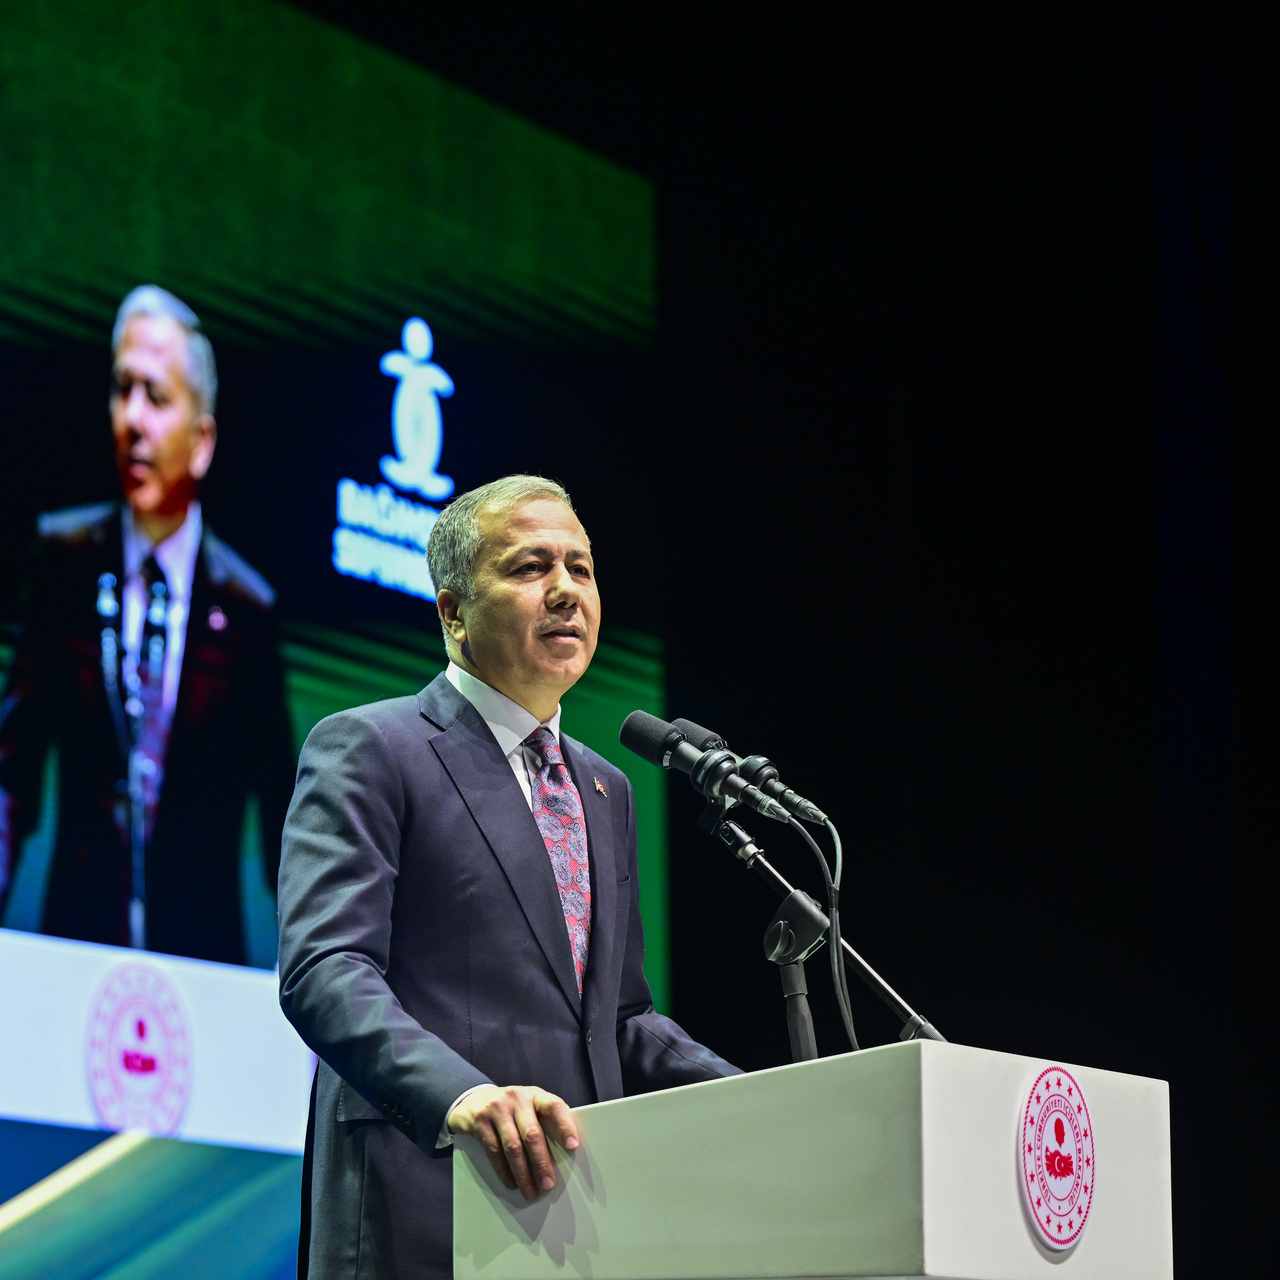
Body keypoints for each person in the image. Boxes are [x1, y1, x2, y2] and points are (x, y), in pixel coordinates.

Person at [278, 475, 739, 1279]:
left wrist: (763, 1096)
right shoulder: (370, 748)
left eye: (581, 569)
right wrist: (459, 1096)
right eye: (530, 568)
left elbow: (620, 1019)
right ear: (453, 612)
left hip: (576, 1220)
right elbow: (326, 969)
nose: (565, 589)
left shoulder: (606, 789)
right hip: (420, 1198)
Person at [0, 285, 296, 965]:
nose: (131, 418)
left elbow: (282, 821)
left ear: (201, 441)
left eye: (155, 397)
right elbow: (11, 778)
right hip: (72, 957)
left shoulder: (248, 609)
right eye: (121, 390)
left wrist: (315, 984)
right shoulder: (63, 562)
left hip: (203, 973)